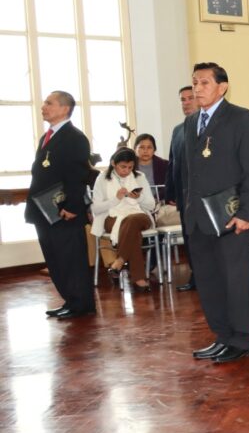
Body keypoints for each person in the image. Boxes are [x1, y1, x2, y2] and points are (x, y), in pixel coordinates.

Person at [182, 62, 249, 364]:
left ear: (222, 87)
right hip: (198, 219)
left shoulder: (241, 118)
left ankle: (242, 339)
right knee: (209, 281)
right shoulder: (191, 123)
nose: (198, 88)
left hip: (231, 217)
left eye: (204, 82)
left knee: (236, 280)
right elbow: (189, 173)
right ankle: (222, 336)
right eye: (195, 82)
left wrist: (247, 213)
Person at [28, 91, 94, 320]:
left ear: (65, 109)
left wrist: (73, 206)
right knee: (56, 259)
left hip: (64, 211)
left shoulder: (74, 137)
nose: (43, 107)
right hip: (44, 210)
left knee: (70, 258)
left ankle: (81, 304)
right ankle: (70, 299)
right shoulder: (47, 136)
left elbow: (77, 175)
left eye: (49, 103)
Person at [90, 147, 157, 292]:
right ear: (113, 163)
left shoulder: (139, 177)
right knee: (132, 230)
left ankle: (118, 262)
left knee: (131, 221)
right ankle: (138, 279)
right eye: (123, 167)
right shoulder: (102, 178)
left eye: (130, 167)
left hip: (139, 215)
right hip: (112, 217)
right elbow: (96, 209)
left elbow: (151, 205)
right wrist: (116, 199)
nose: (126, 171)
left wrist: (139, 198)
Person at [166, 85, 198, 292]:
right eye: (182, 99)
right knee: (189, 239)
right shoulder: (178, 130)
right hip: (183, 196)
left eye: (189, 98)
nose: (185, 103)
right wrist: (171, 192)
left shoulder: (207, 127)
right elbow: (173, 162)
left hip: (203, 196)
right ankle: (196, 275)